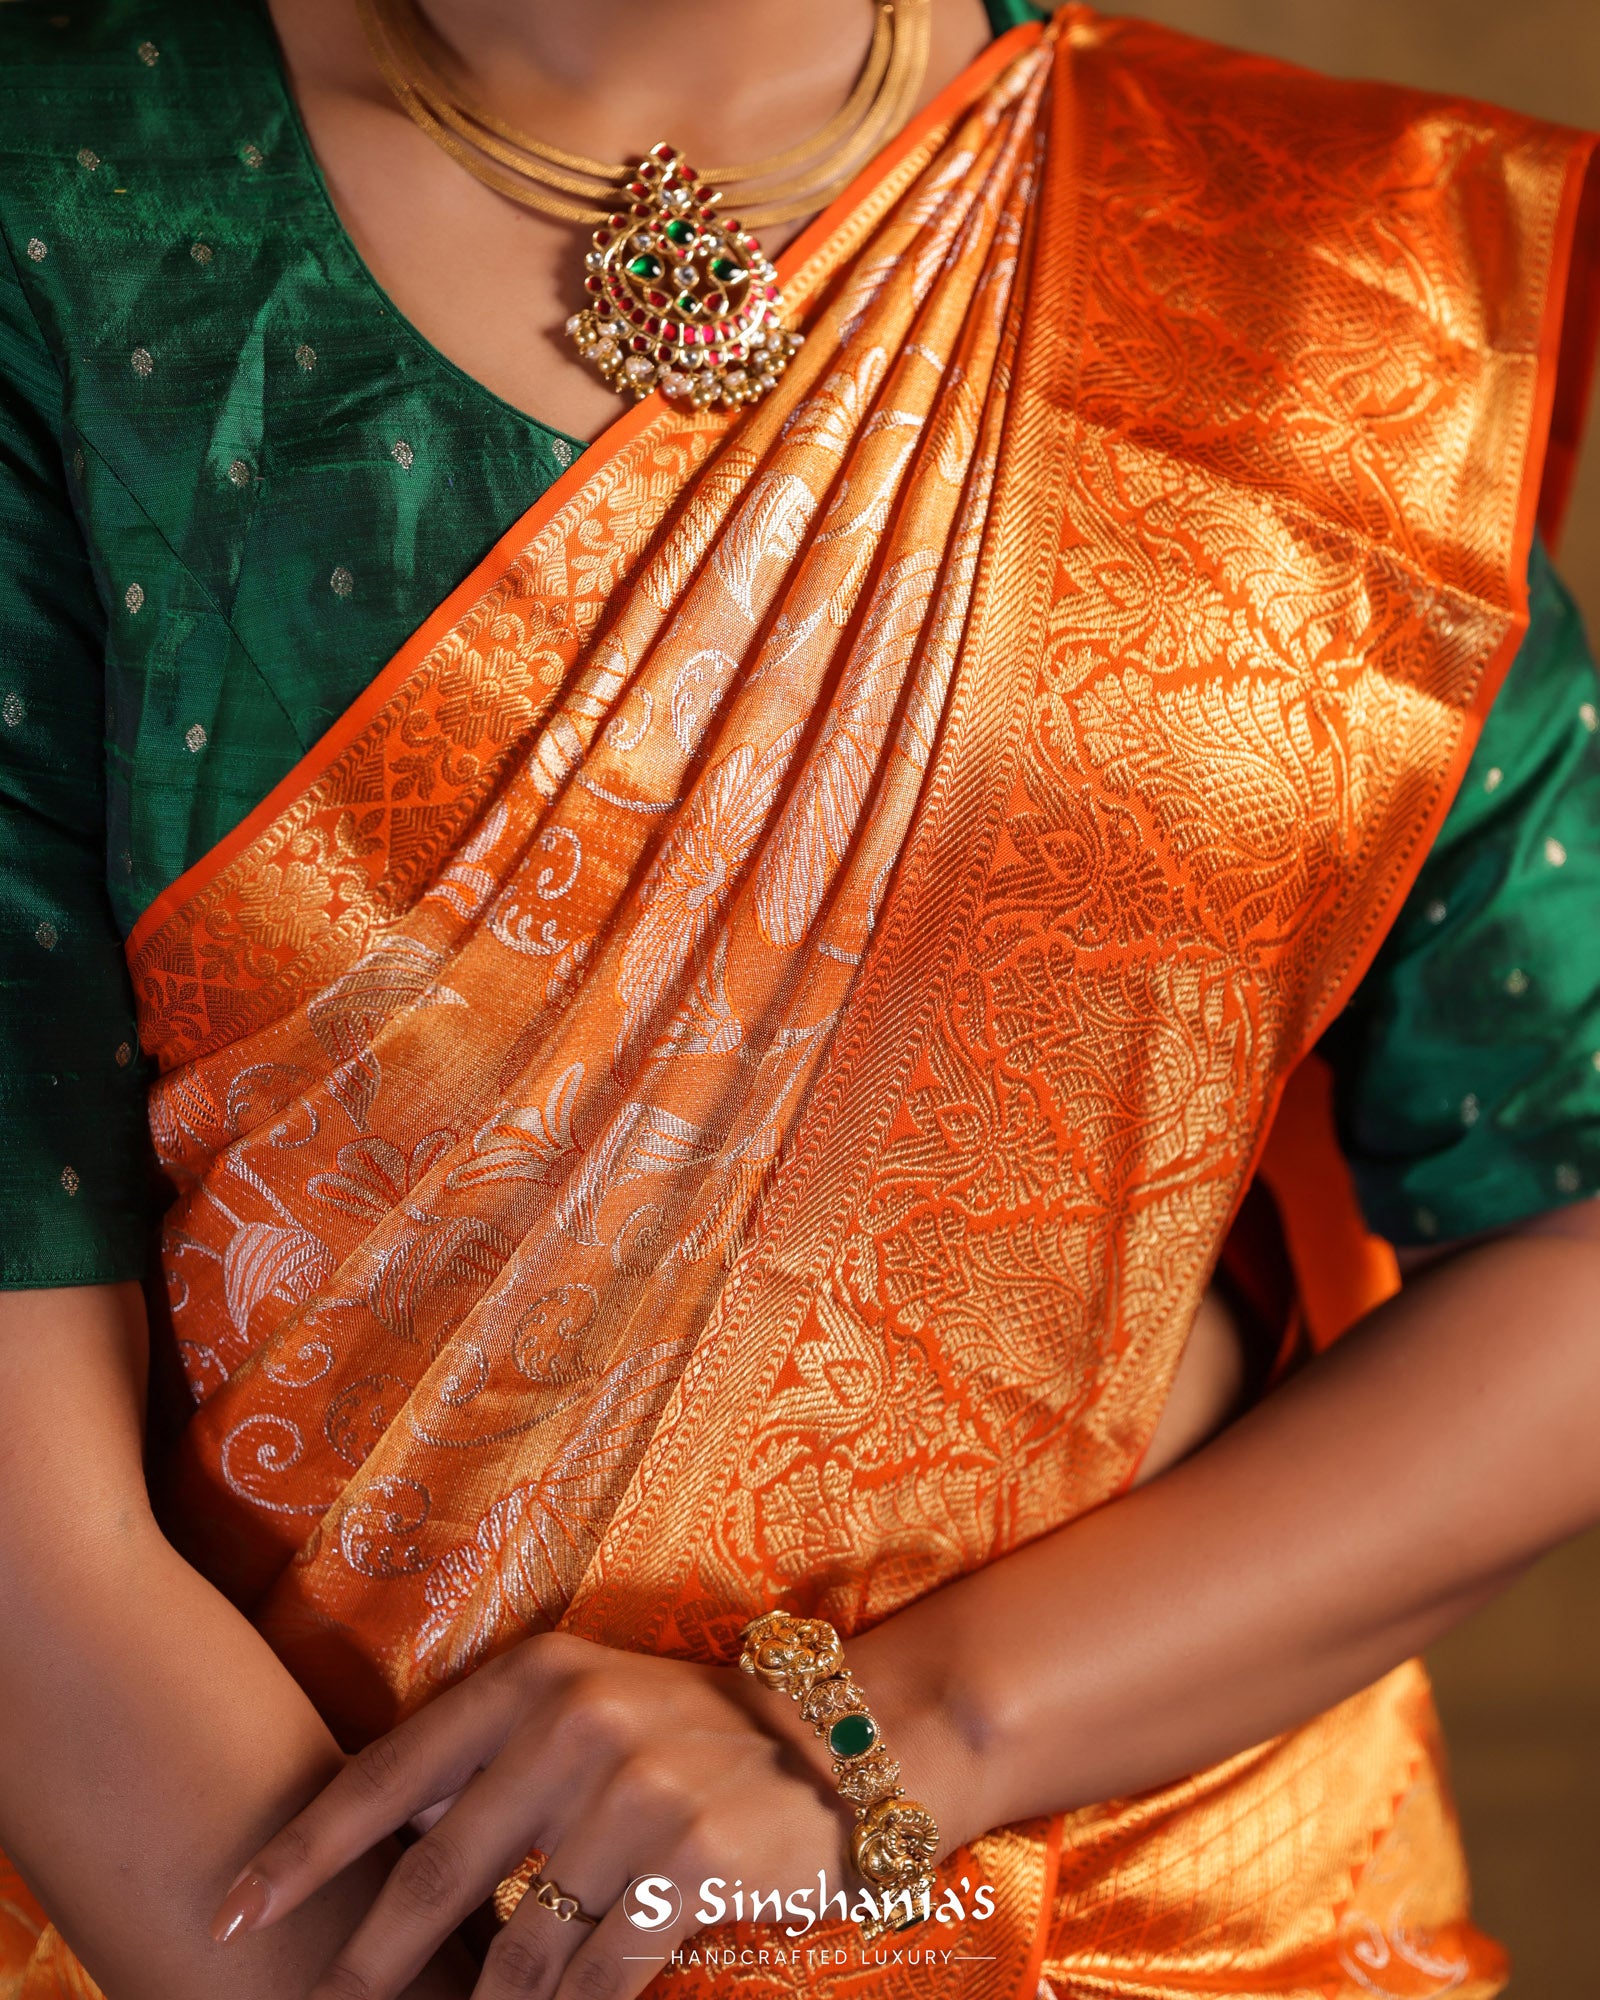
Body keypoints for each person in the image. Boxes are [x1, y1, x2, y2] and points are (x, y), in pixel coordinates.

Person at [2, 1, 1598, 1996]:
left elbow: (1565, 1214)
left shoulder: (1303, 263)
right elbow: (28, 1563)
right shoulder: (73, 201)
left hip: (1139, 1913)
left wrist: (906, 1728)